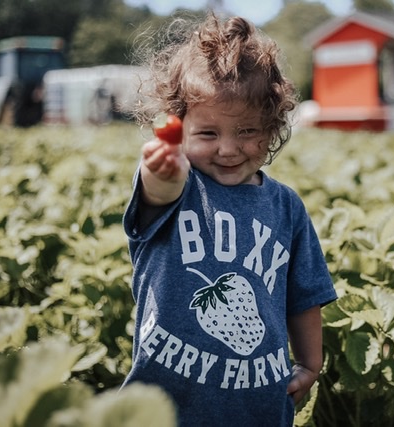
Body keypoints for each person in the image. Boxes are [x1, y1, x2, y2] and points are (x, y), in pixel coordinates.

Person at [122, 12, 337, 427]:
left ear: (272, 127)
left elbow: (305, 295)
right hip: (165, 404)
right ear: (178, 127)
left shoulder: (286, 207)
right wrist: (162, 169)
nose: (228, 149)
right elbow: (157, 189)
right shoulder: (179, 188)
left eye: (247, 131)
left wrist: (310, 364)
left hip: (258, 404)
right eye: (207, 134)